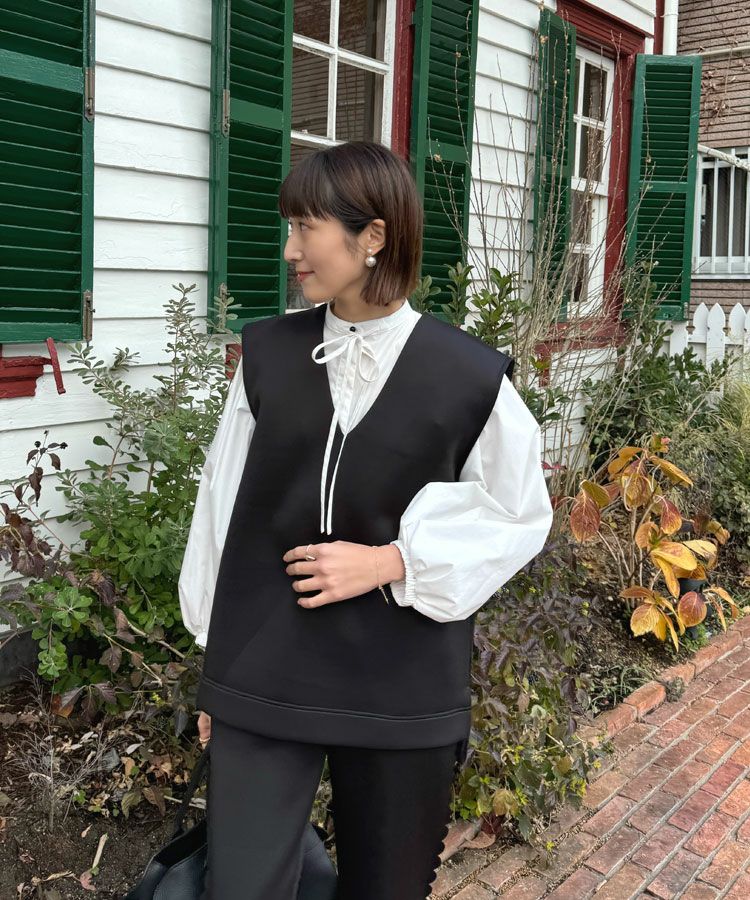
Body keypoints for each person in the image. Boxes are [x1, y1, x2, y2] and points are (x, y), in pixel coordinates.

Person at [178, 141, 554, 900]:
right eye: (290, 228)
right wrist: (216, 670)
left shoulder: (468, 376)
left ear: (372, 235)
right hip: (263, 667)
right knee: (241, 888)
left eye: (305, 228)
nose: (290, 250)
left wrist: (392, 561)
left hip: (402, 683)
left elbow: (518, 512)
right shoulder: (267, 356)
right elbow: (220, 509)